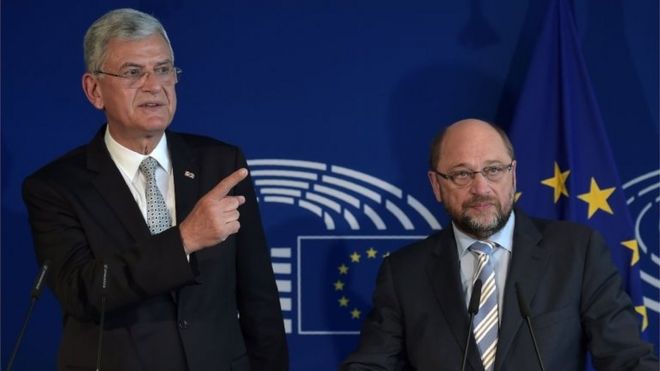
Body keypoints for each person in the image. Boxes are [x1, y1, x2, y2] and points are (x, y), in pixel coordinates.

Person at [22, 8, 287, 371]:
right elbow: (81, 292)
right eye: (133, 72)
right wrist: (184, 240)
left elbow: (259, 299)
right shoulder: (56, 187)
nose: (154, 85)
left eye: (163, 70)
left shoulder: (219, 164)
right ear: (94, 90)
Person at [341, 118, 658, 370]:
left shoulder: (576, 252)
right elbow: (373, 363)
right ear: (436, 185)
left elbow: (627, 359)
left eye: (493, 170)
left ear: (513, 175)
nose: (481, 187)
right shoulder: (405, 272)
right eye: (462, 174)